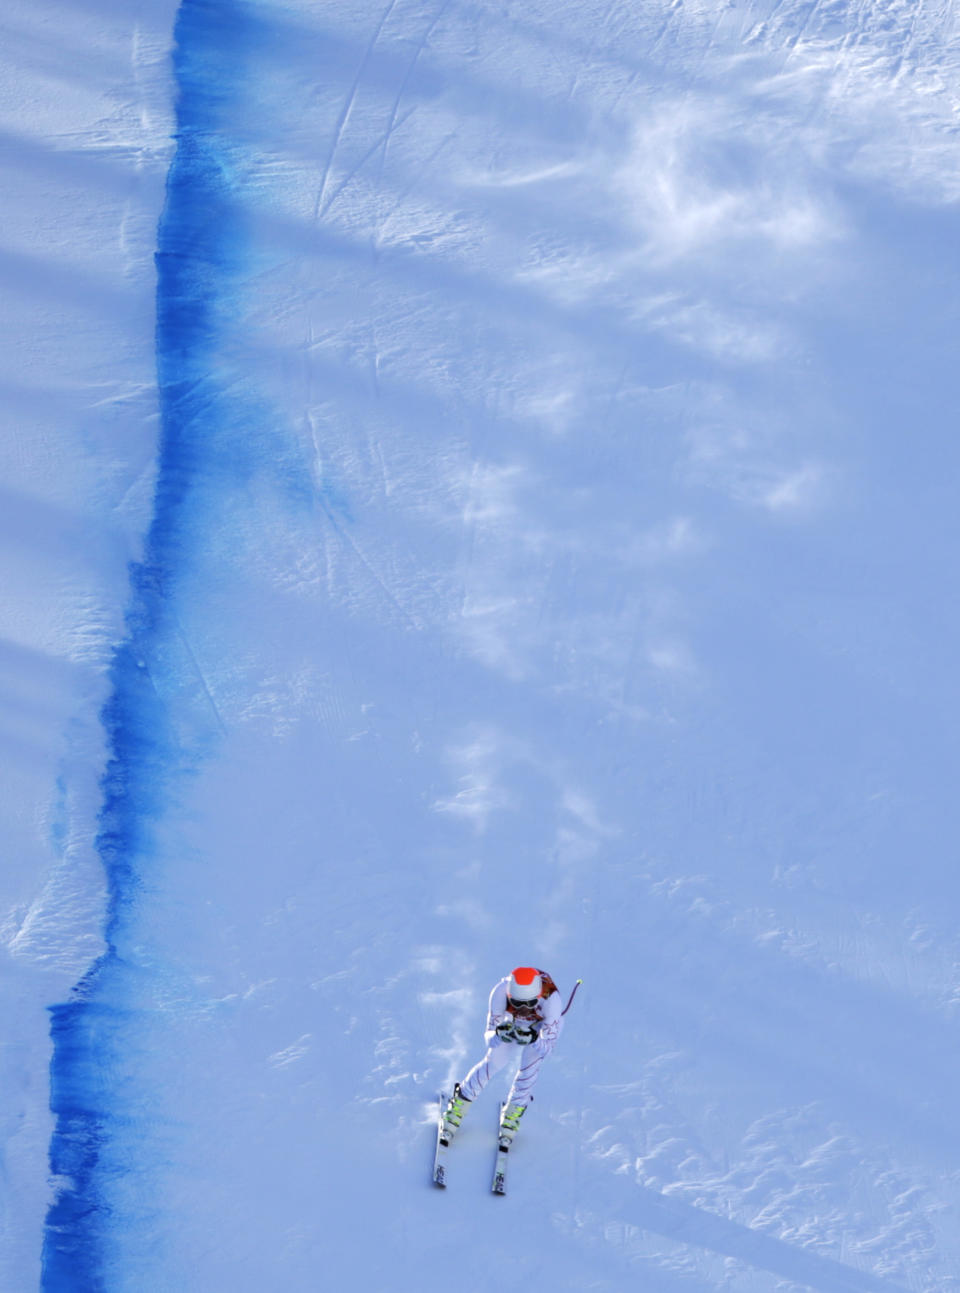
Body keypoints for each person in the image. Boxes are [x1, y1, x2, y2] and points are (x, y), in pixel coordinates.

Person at [442, 966, 564, 1146]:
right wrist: (498, 1034)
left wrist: (534, 1038)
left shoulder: (551, 1001)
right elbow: (489, 1038)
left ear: (538, 997)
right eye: (517, 1003)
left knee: (530, 1066)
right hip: (512, 1023)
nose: (523, 1009)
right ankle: (460, 1103)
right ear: (509, 995)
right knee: (494, 1062)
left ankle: (513, 1113)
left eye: (529, 1004)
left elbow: (547, 1049)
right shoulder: (500, 991)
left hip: (539, 1027)